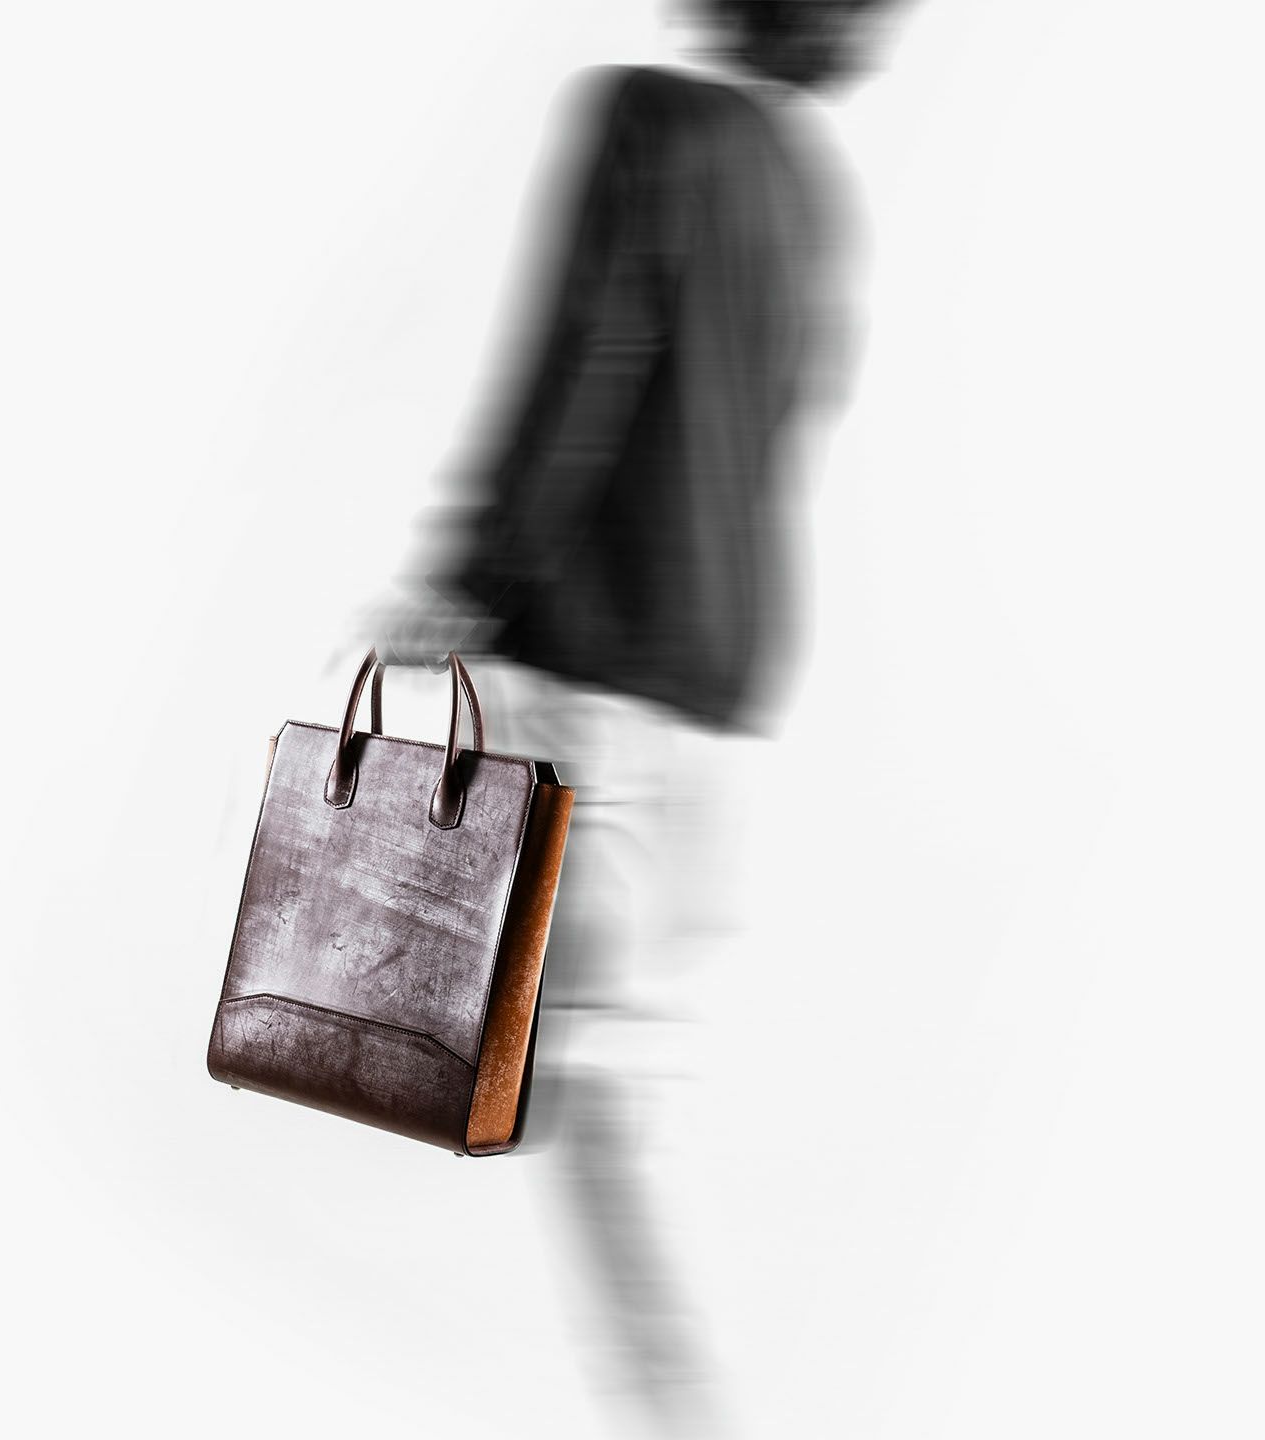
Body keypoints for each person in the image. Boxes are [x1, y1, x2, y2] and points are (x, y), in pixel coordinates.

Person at [369, 3, 906, 1431]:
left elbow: (589, 353)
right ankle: (689, 1390)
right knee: (620, 1042)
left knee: (603, 1063)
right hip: (726, 658)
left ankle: (688, 1407)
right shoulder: (808, 179)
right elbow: (792, 405)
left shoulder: (649, 117)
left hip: (605, 640)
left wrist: (467, 576)